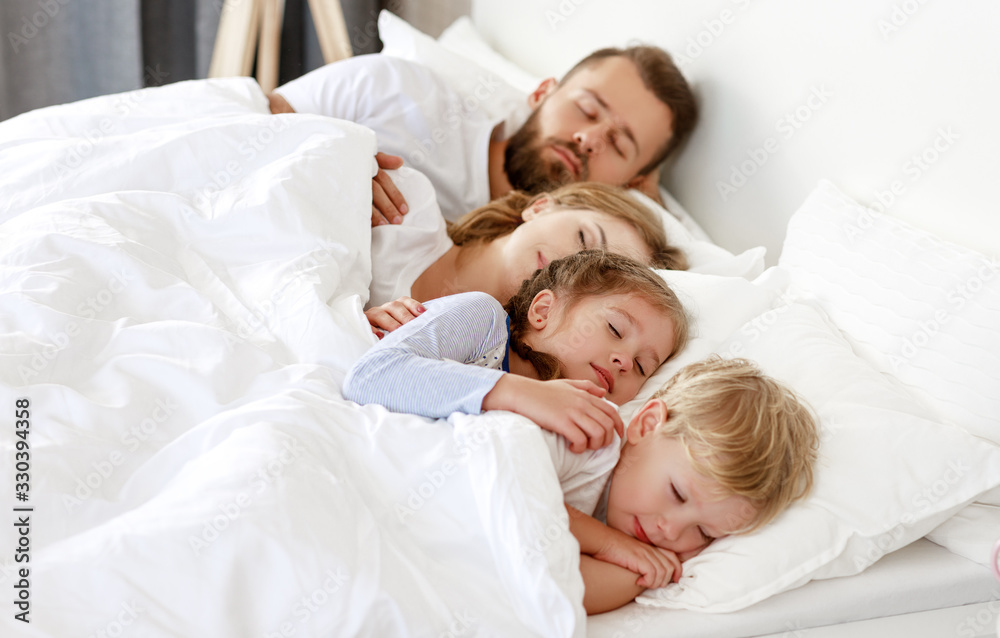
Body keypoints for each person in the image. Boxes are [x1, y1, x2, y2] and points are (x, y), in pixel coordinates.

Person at [268, 46, 698, 226]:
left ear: (633, 182)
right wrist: (336, 164)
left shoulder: (552, 266)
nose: (588, 138)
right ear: (542, 94)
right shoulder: (396, 91)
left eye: (620, 145)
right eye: (586, 109)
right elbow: (244, 120)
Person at [344, 250, 690, 453]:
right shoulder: (482, 320)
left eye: (644, 367)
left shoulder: (563, 429)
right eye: (614, 329)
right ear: (543, 311)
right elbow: (370, 377)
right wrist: (519, 393)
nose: (625, 361)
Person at [560, 356, 819, 614]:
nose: (671, 531)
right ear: (648, 426)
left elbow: (559, 591)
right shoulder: (582, 435)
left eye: (704, 533)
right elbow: (525, 507)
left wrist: (638, 573)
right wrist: (608, 543)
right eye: (678, 494)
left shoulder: (644, 538)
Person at [366, 179, 687, 332]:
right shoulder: (403, 204)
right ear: (539, 207)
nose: (570, 266)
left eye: (594, 274)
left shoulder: (481, 371)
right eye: (583, 239)